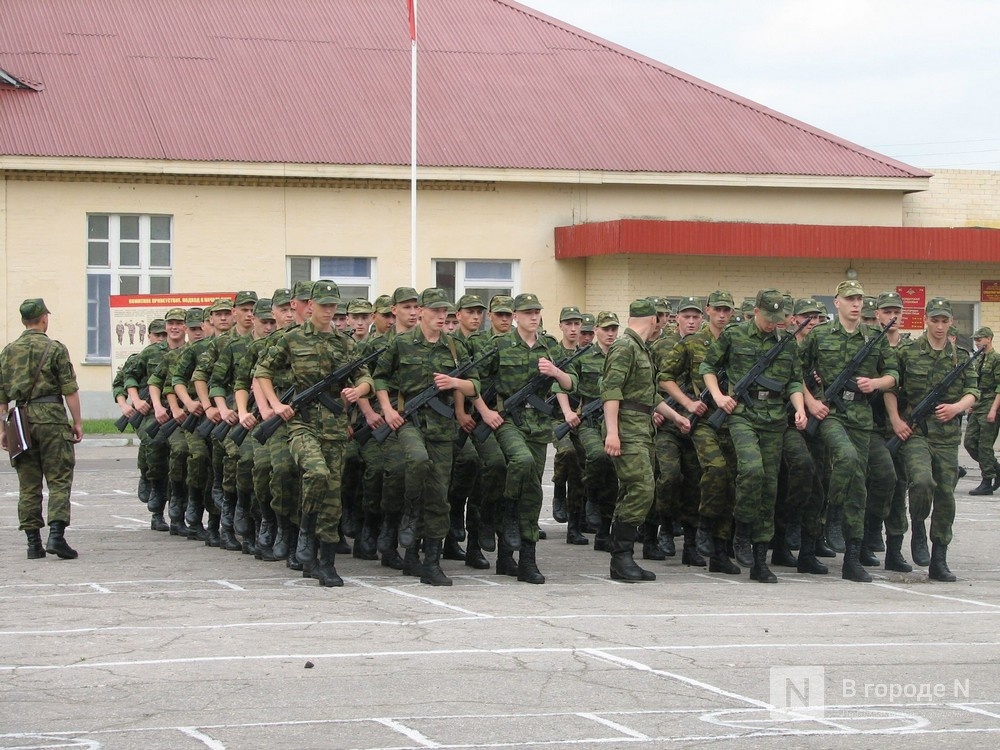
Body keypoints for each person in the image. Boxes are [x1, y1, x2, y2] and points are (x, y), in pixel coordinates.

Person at [373, 288, 480, 586]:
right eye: (434, 310)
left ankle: (427, 561)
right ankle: (409, 507)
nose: (440, 315)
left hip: (442, 427)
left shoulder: (455, 347)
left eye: (444, 311)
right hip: (409, 421)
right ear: (420, 311)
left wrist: (456, 382)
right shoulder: (402, 343)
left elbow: (474, 386)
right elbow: (380, 377)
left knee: (438, 496)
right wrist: (387, 409)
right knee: (418, 461)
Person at [701, 288, 807, 583]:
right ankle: (742, 531)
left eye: (778, 319)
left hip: (774, 419)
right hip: (743, 416)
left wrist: (799, 409)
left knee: (769, 488)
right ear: (756, 311)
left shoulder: (786, 344)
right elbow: (708, 365)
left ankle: (761, 559)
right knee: (751, 471)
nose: (773, 324)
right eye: (768, 317)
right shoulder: (735, 335)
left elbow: (795, 381)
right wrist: (719, 396)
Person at [799, 280, 897, 582]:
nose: (856, 304)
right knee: (846, 456)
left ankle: (852, 558)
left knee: (858, 485)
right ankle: (832, 515)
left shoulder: (874, 338)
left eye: (860, 299)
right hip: (829, 413)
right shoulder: (820, 335)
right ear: (837, 303)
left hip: (860, 415)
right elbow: (794, 372)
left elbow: (893, 373)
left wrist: (877, 383)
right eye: (850, 298)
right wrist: (811, 401)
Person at [885, 297, 978, 582]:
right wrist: (896, 420)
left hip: (947, 438)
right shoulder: (908, 352)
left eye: (944, 321)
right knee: (922, 482)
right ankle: (917, 530)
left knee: (946, 497)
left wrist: (957, 407)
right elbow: (890, 387)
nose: (939, 326)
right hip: (915, 434)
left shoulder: (961, 357)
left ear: (951, 322)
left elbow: (974, 391)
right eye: (934, 320)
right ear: (926, 319)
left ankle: (939, 557)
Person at [603, 299, 692, 581]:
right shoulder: (625, 347)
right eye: (662, 318)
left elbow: (648, 394)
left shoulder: (640, 348)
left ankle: (622, 557)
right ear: (653, 319)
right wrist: (613, 432)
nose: (664, 323)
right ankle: (621, 557)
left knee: (633, 489)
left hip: (642, 427)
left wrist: (674, 416)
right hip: (628, 429)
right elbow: (611, 391)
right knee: (642, 488)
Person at [0, 298, 83, 559]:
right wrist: (77, 421)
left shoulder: (8, 351)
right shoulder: (55, 349)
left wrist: (3, 428)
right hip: (51, 417)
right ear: (44, 318)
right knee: (58, 478)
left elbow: (2, 395)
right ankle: (56, 536)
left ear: (24, 320)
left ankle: (33, 543)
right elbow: (69, 389)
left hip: (19, 419)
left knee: (28, 483)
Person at [965, 327, 1000, 495]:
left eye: (980, 339)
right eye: (976, 340)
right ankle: (996, 469)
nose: (977, 342)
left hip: (991, 403)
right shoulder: (978, 359)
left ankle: (987, 481)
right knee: (970, 443)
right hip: (978, 404)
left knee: (984, 446)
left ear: (989, 339)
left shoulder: (996, 359)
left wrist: (993, 410)